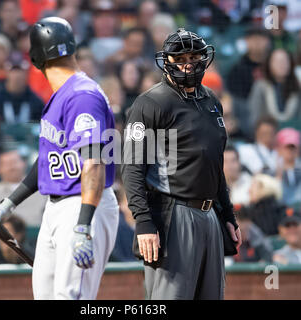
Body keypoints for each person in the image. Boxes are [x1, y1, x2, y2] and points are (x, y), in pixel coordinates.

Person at [0, 17, 119, 300]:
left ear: (35, 58)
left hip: (83, 206)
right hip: (57, 207)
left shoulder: (82, 95)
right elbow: (46, 161)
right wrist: (7, 205)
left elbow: (94, 163)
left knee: (71, 297)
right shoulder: (62, 95)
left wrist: (83, 226)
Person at [121, 28, 242, 300]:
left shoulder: (212, 101)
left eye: (194, 56)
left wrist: (228, 215)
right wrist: (144, 222)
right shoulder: (150, 103)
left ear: (204, 59)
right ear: (167, 62)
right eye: (180, 57)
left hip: (210, 213)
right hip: (173, 214)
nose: (188, 63)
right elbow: (132, 167)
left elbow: (214, 164)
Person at [0, 150, 46, 227]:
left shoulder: (41, 187)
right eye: (7, 164)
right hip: (8, 235)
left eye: (14, 162)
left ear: (24, 164)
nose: (11, 167)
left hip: (38, 233)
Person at [0, 51, 44, 125]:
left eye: (20, 70)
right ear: (6, 72)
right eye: (13, 70)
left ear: (27, 72)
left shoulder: (36, 102)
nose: (17, 75)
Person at [248, 48, 301, 128]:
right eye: (277, 61)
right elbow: (255, 117)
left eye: (285, 61)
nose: (281, 65)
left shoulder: (297, 87)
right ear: (269, 64)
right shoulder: (260, 87)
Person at [275, 128, 301, 207]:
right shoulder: (272, 170)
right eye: (287, 147)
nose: (290, 151)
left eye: (293, 148)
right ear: (279, 149)